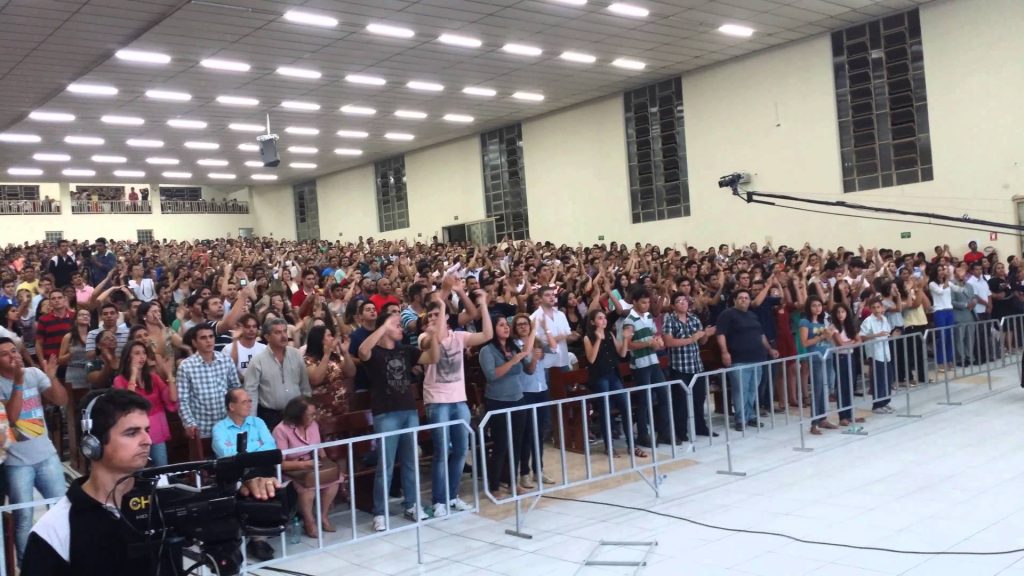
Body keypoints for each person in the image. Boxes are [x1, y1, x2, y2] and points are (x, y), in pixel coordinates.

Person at [21, 389, 282, 576]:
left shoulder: (163, 496)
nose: (147, 439)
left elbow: (221, 515)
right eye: (132, 432)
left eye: (146, 429)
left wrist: (248, 491)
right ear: (93, 444)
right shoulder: (55, 529)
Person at [358, 311, 440, 532]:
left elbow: (433, 358)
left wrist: (433, 338)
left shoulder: (406, 350)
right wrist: (383, 327)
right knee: (385, 465)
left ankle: (412, 504)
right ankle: (380, 512)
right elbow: (362, 351)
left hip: (408, 410)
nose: (401, 328)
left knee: (410, 461)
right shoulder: (374, 352)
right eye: (396, 325)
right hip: (385, 413)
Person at [0, 337, 68, 565]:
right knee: (23, 517)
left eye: (14, 351)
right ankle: (26, 564)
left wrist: (50, 377)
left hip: (46, 455)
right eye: (6, 354)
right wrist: (18, 383)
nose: (14, 356)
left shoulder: (33, 373)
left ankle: (62, 558)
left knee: (61, 509)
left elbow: (61, 400)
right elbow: (11, 418)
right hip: (17, 463)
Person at [420, 296, 490, 516]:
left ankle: (452, 496)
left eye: (437, 315)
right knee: (442, 452)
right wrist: (441, 304)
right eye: (430, 316)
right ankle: (439, 501)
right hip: (437, 401)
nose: (434, 318)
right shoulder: (425, 337)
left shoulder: (459, 337)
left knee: (461, 451)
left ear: (447, 318)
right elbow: (437, 338)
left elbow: (487, 335)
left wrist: (484, 305)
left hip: (459, 400)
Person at [212, 388, 277, 562]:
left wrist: (244, 451)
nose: (250, 404)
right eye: (244, 402)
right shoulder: (219, 428)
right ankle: (256, 540)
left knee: (262, 485)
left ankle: (258, 539)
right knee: (251, 488)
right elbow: (228, 453)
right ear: (231, 406)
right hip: (235, 474)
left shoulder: (258, 422)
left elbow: (270, 446)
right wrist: (257, 445)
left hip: (260, 469)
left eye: (250, 401)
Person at [479, 316, 535, 496]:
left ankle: (513, 482)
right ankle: (494, 486)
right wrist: (512, 361)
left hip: (517, 398)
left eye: (507, 325)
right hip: (498, 401)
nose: (506, 328)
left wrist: (534, 358)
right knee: (501, 444)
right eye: (501, 325)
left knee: (516, 443)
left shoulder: (513, 346)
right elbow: (491, 375)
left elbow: (528, 369)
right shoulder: (487, 350)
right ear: (493, 328)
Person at [273, 396, 341, 539]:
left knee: (335, 479)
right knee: (308, 490)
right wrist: (303, 464)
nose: (313, 417)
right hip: (292, 469)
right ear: (298, 415)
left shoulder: (313, 425)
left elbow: (318, 448)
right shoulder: (281, 430)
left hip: (311, 464)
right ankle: (309, 522)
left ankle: (323, 516)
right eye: (310, 414)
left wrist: (328, 465)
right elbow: (280, 463)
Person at [716, 289, 779, 432]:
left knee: (752, 390)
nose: (744, 300)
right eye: (740, 298)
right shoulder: (728, 314)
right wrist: (724, 352)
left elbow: (761, 334)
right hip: (739, 359)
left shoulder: (752, 315)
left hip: (757, 358)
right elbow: (721, 334)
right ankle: (740, 419)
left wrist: (769, 349)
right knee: (740, 391)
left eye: (746, 298)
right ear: (735, 300)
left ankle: (750, 416)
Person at [621, 287, 673, 446]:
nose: (646, 305)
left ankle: (664, 432)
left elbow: (653, 335)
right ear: (635, 302)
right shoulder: (629, 321)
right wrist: (647, 343)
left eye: (648, 302)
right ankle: (643, 434)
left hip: (653, 360)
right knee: (644, 400)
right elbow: (628, 344)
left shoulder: (649, 316)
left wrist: (658, 341)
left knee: (663, 395)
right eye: (643, 302)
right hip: (640, 364)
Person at [112, 341, 178, 466]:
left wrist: (169, 374)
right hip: (134, 431)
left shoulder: (153, 378)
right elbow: (128, 402)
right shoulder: (119, 380)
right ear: (127, 358)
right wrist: (133, 374)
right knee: (139, 469)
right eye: (137, 353)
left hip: (156, 429)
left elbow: (173, 399)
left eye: (144, 353)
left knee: (161, 467)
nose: (142, 357)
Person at [661, 293, 717, 441]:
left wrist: (706, 334)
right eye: (678, 301)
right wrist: (692, 338)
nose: (682, 303)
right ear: (673, 305)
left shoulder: (694, 318)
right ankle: (681, 432)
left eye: (684, 301)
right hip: (679, 366)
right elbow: (669, 342)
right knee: (680, 403)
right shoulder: (669, 320)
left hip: (696, 365)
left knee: (699, 399)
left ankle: (700, 427)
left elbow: (701, 342)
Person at [582, 309, 636, 457]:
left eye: (604, 318)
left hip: (613, 374)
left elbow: (622, 353)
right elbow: (591, 359)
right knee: (605, 410)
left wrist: (625, 339)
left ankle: (632, 444)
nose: (604, 321)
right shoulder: (588, 337)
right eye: (600, 318)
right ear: (593, 322)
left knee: (625, 406)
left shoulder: (610, 334)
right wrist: (598, 339)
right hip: (600, 376)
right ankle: (609, 446)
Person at [244, 318, 312, 431]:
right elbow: (251, 393)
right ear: (267, 337)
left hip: (297, 414)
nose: (284, 336)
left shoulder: (296, 355)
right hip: (270, 417)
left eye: (285, 331)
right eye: (277, 332)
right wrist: (253, 422)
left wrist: (307, 410)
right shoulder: (258, 361)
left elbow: (304, 386)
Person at [177, 324, 242, 439]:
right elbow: (182, 400)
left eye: (211, 336)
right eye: (203, 338)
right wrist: (190, 424)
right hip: (201, 429)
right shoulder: (186, 366)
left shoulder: (226, 360)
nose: (208, 341)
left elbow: (235, 389)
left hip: (226, 424)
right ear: (194, 343)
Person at [798, 296, 837, 435]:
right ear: (809, 307)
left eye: (819, 305)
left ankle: (822, 418)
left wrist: (829, 334)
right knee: (818, 389)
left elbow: (827, 340)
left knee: (824, 388)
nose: (817, 308)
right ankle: (814, 422)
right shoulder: (805, 322)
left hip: (826, 356)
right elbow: (805, 342)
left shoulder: (822, 322)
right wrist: (821, 337)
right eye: (814, 305)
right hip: (815, 358)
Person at [304, 324, 355, 420]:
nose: (332, 339)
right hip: (323, 412)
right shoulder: (308, 360)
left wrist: (345, 352)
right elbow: (315, 380)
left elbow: (351, 372)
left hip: (343, 407)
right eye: (329, 335)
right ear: (320, 339)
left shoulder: (335, 356)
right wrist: (326, 355)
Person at [860, 297, 896, 414]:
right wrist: (875, 335)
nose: (876, 310)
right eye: (874, 307)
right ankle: (877, 404)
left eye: (878, 307)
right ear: (870, 309)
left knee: (888, 377)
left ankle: (885, 402)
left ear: (882, 308)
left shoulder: (884, 319)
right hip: (876, 354)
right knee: (878, 379)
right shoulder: (868, 321)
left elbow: (887, 333)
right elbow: (862, 336)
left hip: (886, 353)